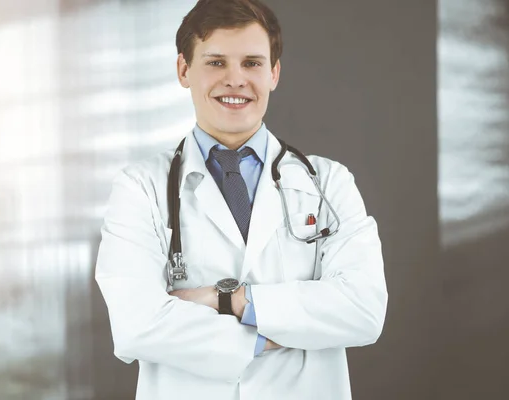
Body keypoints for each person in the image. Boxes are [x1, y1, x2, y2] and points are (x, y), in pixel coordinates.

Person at [95, 0, 388, 399]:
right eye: (216, 63)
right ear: (184, 70)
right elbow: (135, 325)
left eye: (252, 63)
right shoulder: (139, 188)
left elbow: (363, 309)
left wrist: (228, 300)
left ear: (274, 73)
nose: (236, 80)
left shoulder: (328, 183)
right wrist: (269, 336)